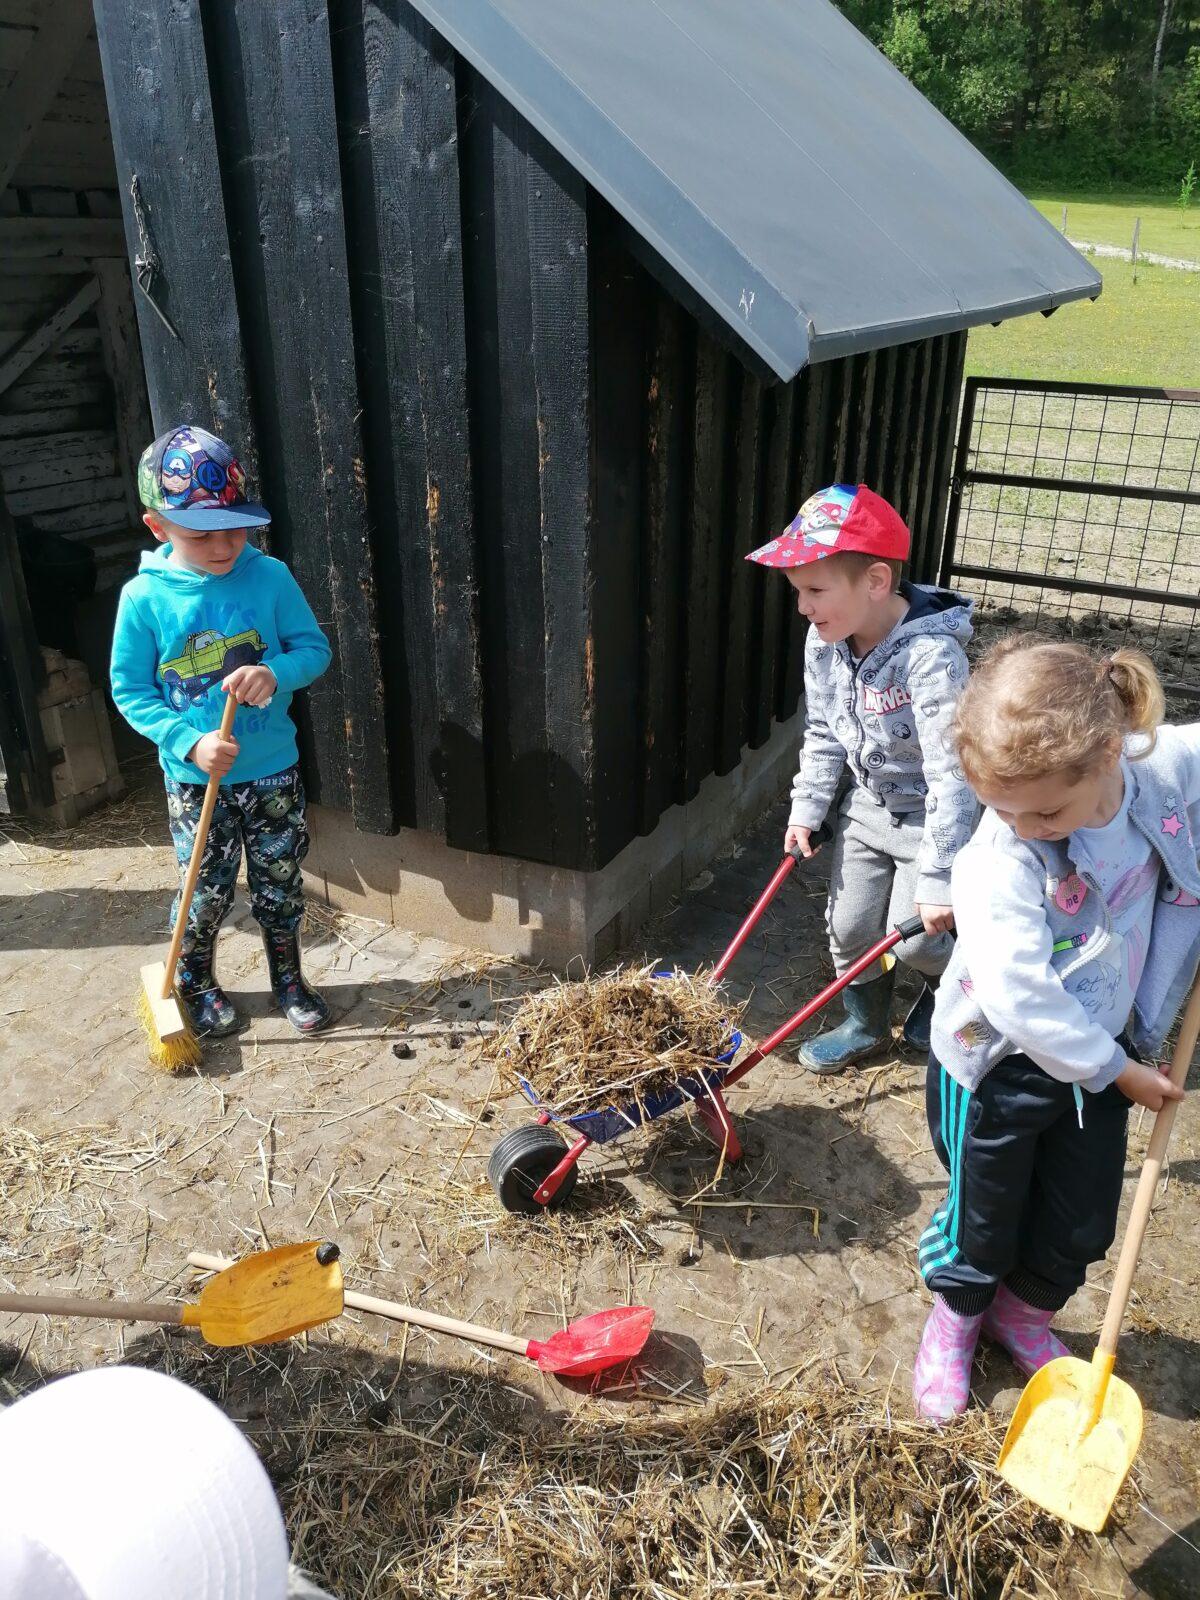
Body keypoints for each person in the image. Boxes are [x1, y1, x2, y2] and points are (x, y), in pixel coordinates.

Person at [914, 637, 1197, 1421]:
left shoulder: (1155, 772)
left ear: (1110, 753)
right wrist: (1116, 1071)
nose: (1023, 826)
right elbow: (1018, 994)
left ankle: (1023, 1315)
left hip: (1105, 1055)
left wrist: (1112, 1065)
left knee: (1081, 1217)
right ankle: (958, 1319)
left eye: (1043, 809)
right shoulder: (1000, 858)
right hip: (1001, 1064)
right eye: (1000, 807)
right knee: (987, 1214)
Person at [110, 424, 333, 1036]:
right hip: (195, 779)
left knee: (280, 879)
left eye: (235, 526)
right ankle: (196, 982)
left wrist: (276, 671)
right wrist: (189, 741)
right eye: (201, 533)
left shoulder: (271, 577)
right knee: (203, 889)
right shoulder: (144, 599)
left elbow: (314, 650)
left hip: (271, 771)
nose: (224, 544)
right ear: (158, 526)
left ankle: (288, 979)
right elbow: (130, 691)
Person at [746, 483, 977, 1071]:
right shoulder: (823, 643)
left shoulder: (931, 658)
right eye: (798, 591)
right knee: (848, 930)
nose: (802, 606)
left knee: (924, 937)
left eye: (815, 590)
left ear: (875, 581)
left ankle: (948, 991)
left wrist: (940, 876)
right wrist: (807, 808)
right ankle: (867, 1022)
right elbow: (823, 732)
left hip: (933, 818)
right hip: (869, 808)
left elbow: (954, 774)